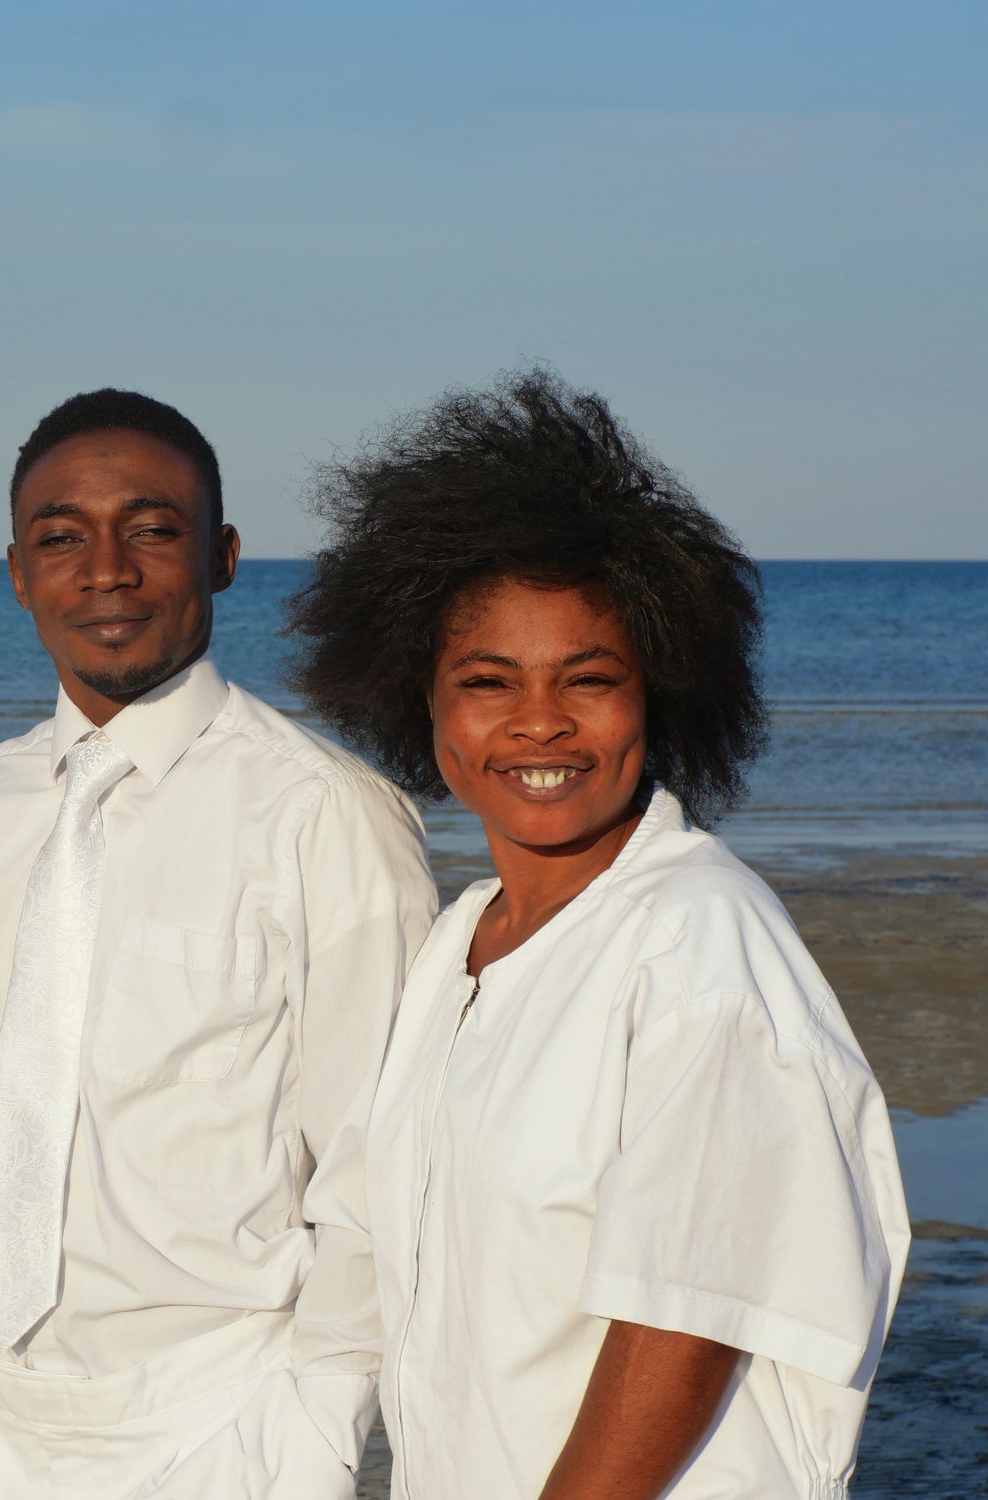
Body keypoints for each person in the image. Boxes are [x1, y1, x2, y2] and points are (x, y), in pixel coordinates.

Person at [288, 369, 910, 1497]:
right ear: (418, 702)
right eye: (487, 680)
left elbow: (682, 1321)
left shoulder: (698, 937)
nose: (538, 721)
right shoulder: (459, 944)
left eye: (589, 679)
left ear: (657, 697)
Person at [0, 390, 438, 1499]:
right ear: (15, 572)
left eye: (150, 528)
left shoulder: (324, 814)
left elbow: (379, 1164)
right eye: (60, 539)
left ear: (221, 555)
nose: (106, 570)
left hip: (215, 1421)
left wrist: (314, 1425)